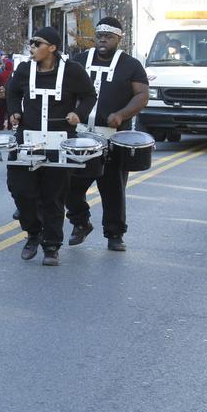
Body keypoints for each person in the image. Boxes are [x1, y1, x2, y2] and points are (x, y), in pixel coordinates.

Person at [7, 26, 95, 265]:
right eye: (31, 43)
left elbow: (89, 95)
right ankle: (33, 233)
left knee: (53, 196)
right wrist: (15, 111)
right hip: (28, 139)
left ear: (53, 48)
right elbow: (12, 92)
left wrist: (79, 113)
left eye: (37, 43)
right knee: (22, 191)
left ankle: (51, 246)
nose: (32, 48)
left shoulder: (73, 71)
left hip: (59, 140)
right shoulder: (25, 69)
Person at [64, 17, 149, 252]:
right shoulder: (79, 60)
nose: (102, 39)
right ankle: (80, 222)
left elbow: (142, 95)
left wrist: (122, 114)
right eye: (99, 35)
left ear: (119, 39)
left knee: (112, 188)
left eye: (108, 36)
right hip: (79, 135)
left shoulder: (130, 65)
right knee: (68, 185)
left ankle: (114, 234)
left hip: (112, 136)